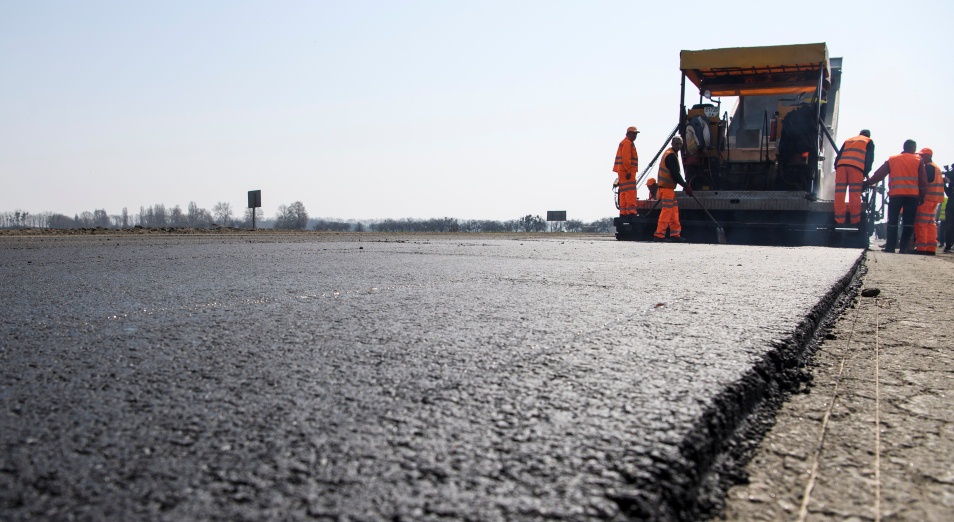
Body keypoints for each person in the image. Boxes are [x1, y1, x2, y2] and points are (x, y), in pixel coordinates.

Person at [863, 139, 927, 253]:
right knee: (908, 222)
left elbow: (880, 174)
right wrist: (922, 196)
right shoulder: (918, 160)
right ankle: (904, 248)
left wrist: (868, 182)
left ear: (904, 147)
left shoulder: (893, 159)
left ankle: (890, 247)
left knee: (892, 221)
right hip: (912, 196)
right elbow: (923, 180)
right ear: (913, 148)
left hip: (896, 195)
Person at [654, 136, 693, 241]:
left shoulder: (671, 154)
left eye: (680, 144)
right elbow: (675, 173)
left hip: (669, 189)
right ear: (672, 144)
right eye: (677, 144)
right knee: (666, 212)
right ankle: (659, 235)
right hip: (666, 189)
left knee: (673, 213)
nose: (679, 146)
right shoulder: (670, 155)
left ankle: (675, 234)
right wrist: (685, 186)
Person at [833, 130, 875, 224]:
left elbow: (839, 155)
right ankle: (855, 221)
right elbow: (869, 159)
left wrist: (837, 167)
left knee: (839, 195)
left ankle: (839, 220)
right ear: (868, 135)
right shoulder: (868, 141)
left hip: (841, 167)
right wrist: (865, 172)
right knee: (854, 194)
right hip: (856, 168)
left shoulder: (849, 140)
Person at [912, 148, 945, 254]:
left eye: (922, 155)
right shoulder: (936, 167)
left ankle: (921, 248)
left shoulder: (928, 167)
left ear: (927, 156)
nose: (920, 157)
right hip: (933, 200)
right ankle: (931, 248)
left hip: (926, 199)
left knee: (921, 223)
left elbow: (924, 182)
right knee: (930, 224)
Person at [613, 126, 640, 216]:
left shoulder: (625, 142)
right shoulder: (627, 143)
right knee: (630, 191)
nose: (635, 136)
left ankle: (623, 211)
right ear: (628, 134)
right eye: (634, 134)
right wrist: (628, 171)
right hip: (627, 171)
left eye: (636, 134)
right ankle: (631, 211)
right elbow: (626, 158)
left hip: (623, 171)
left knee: (624, 192)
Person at [945, 165, 954, 253]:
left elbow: (948, 193)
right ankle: (948, 245)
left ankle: (948, 246)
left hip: (951, 203)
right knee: (949, 226)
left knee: (949, 226)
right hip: (951, 203)